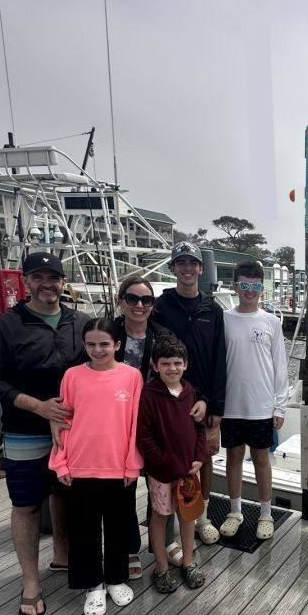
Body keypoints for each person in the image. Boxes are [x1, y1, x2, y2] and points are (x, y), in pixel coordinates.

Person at [0, 252, 90, 615]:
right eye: (39, 277)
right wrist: (38, 406)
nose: (47, 284)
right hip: (25, 429)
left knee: (65, 493)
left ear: (63, 282)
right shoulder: (4, 327)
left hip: (73, 431)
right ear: (26, 282)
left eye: (54, 277)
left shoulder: (82, 322)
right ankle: (30, 581)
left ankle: (62, 555)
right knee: (26, 505)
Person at [49, 318, 143, 615]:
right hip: (80, 466)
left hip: (118, 466)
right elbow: (62, 423)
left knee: (118, 527)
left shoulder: (132, 376)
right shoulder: (72, 376)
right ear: (84, 345)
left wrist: (132, 465)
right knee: (84, 530)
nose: (98, 349)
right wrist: (60, 461)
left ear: (117, 345)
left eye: (104, 344)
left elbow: (135, 424)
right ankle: (93, 584)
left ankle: (116, 577)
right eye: (91, 344)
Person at [152, 241, 226, 545]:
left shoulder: (214, 310)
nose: (187, 268)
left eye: (192, 262)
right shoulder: (159, 306)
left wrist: (215, 405)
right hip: (165, 398)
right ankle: (166, 522)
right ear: (173, 268)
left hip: (203, 400)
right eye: (180, 263)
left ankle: (202, 516)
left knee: (204, 457)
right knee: (164, 459)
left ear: (201, 268)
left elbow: (220, 361)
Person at [219, 260, 288, 541]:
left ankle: (266, 514)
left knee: (262, 459)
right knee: (233, 457)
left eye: (255, 285)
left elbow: (280, 365)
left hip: (261, 405)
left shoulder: (271, 321)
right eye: (244, 285)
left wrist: (279, 404)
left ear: (262, 288)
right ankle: (235, 511)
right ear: (235, 286)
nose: (250, 290)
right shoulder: (223, 318)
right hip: (230, 405)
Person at [136, 335, 207, 592]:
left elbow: (199, 429)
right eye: (165, 363)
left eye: (177, 363)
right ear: (155, 366)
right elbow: (144, 437)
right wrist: (166, 464)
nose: (172, 368)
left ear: (186, 364)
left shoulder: (190, 392)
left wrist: (198, 458)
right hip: (162, 473)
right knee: (160, 516)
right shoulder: (148, 395)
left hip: (189, 470)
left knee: (187, 517)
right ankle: (162, 567)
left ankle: (188, 561)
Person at [112, 275, 171, 577]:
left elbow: (178, 373)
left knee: (161, 482)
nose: (139, 305)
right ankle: (129, 546)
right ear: (121, 301)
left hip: (155, 422)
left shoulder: (162, 336)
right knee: (125, 487)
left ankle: (162, 542)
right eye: (132, 298)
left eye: (146, 300)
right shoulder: (107, 333)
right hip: (117, 423)